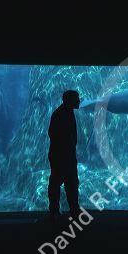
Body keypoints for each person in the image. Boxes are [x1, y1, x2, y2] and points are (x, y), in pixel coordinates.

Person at [47, 90, 81, 221]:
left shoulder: (68, 112)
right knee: (57, 183)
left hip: (67, 155)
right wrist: (65, 147)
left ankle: (73, 209)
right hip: (60, 156)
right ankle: (55, 210)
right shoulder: (59, 114)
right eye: (76, 99)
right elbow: (52, 133)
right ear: (69, 100)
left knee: (71, 183)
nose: (79, 101)